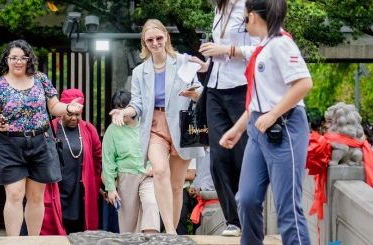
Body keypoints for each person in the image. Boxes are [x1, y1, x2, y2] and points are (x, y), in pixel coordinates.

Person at [218, 0, 313, 244]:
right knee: (246, 198)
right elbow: (257, 102)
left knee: (287, 208)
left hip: (285, 127)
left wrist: (273, 114)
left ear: (253, 17)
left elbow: (304, 83)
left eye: (244, 17)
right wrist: (237, 129)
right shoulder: (263, 47)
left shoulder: (282, 44)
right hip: (258, 128)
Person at [109, 19, 205, 234]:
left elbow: (199, 90)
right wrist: (124, 112)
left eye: (159, 38)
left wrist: (197, 94)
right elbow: (137, 104)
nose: (155, 43)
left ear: (166, 38)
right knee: (160, 171)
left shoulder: (183, 61)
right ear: (144, 42)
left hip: (182, 125)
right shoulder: (140, 71)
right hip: (154, 125)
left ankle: (172, 232)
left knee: (176, 183)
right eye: (150, 39)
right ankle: (170, 230)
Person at [0, 40, 83, 236]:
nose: (18, 62)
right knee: (14, 194)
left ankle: (33, 240)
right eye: (13, 58)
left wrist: (69, 108)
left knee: (36, 197)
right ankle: (13, 241)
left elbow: (54, 107)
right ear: (6, 60)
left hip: (41, 141)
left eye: (23, 58)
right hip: (9, 143)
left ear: (29, 60)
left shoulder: (41, 79)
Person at [189, 0, 258, 236]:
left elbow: (260, 50)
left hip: (241, 87)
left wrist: (227, 50)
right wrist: (205, 66)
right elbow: (219, 57)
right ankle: (233, 220)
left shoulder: (251, 6)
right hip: (215, 88)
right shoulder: (218, 9)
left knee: (242, 154)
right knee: (218, 157)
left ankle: (249, 214)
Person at [42, 88, 102, 235]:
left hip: (80, 191)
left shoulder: (89, 129)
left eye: (77, 114)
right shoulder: (50, 128)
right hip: (57, 188)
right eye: (70, 114)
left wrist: (94, 185)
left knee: (80, 230)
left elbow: (97, 158)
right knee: (54, 230)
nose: (74, 118)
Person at [103, 89, 160, 234]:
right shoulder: (112, 130)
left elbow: (161, 147)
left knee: (151, 203)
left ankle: (151, 240)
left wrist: (155, 165)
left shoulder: (147, 125)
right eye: (117, 108)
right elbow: (108, 161)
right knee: (128, 223)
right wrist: (110, 188)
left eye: (124, 108)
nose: (121, 112)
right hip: (126, 177)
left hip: (147, 175)